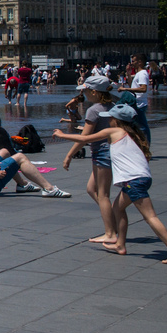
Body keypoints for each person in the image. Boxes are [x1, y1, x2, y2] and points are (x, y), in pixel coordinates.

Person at [55, 104, 167, 263]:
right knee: (118, 208)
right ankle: (120, 244)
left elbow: (85, 138)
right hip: (142, 178)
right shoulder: (133, 134)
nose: (109, 121)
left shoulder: (115, 131)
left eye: (111, 119)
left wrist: (62, 134)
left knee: (150, 216)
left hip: (134, 181)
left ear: (117, 120)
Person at [63, 77, 118, 245]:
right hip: (110, 152)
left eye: (85, 91)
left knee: (103, 195)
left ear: (94, 92)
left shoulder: (94, 110)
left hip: (101, 153)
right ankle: (112, 222)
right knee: (91, 189)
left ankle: (111, 233)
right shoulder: (113, 107)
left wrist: (69, 155)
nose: (83, 94)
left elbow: (84, 138)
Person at [129, 56, 152, 140]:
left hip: (140, 103)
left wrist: (125, 89)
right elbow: (132, 86)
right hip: (136, 102)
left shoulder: (142, 74)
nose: (132, 63)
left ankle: (146, 146)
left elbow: (143, 88)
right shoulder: (138, 73)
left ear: (140, 62)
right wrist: (128, 73)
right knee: (138, 126)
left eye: (133, 61)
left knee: (142, 127)